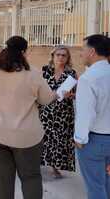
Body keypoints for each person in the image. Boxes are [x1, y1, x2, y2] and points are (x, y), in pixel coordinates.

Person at [0, 36, 57, 199]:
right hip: (26, 137)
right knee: (31, 177)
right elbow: (46, 99)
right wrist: (57, 94)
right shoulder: (33, 73)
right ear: (24, 51)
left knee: (2, 176)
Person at [74, 34, 110, 199]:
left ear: (92, 52)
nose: (81, 53)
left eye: (83, 49)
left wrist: (79, 139)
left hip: (95, 141)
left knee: (96, 187)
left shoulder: (88, 79)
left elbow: (85, 113)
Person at [39, 46, 77, 178]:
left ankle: (55, 166)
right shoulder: (44, 71)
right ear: (53, 56)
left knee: (59, 140)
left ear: (67, 58)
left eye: (64, 55)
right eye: (58, 55)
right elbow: (37, 90)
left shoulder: (71, 73)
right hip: (46, 111)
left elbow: (77, 94)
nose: (60, 57)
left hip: (63, 114)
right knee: (43, 138)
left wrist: (71, 96)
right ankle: (39, 163)